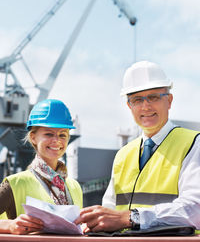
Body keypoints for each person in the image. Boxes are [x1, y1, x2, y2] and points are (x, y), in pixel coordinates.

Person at [75, 60, 200, 233]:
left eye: (154, 97)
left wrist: (132, 218)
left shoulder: (194, 144)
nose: (145, 106)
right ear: (129, 106)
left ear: (169, 100)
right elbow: (110, 209)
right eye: (137, 99)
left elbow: (195, 210)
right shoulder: (123, 154)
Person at [0, 99, 83, 235]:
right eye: (48, 134)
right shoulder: (15, 183)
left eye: (62, 135)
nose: (56, 140)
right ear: (33, 137)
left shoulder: (74, 187)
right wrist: (9, 225)